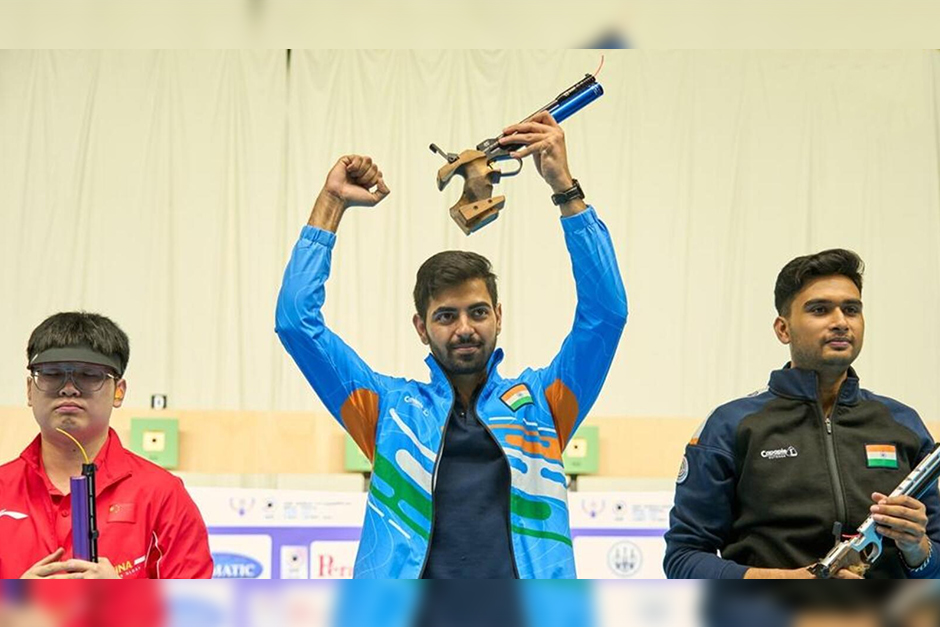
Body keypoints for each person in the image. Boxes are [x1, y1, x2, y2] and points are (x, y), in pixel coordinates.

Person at [276, 111, 627, 578]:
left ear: (498, 317)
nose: (464, 327)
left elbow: (606, 315)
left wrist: (565, 189)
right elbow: (296, 322)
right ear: (421, 328)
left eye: (478, 312)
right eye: (446, 316)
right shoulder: (387, 410)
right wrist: (331, 203)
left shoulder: (544, 404)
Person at [665, 249, 940, 579]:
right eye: (820, 310)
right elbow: (684, 560)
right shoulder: (730, 426)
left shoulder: (903, 424)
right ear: (783, 329)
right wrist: (791, 583)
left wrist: (917, 549)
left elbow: (934, 564)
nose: (840, 322)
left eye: (851, 310)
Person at [0, 312, 213, 579]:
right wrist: (12, 606)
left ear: (119, 391)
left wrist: (122, 601)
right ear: (30, 389)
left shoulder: (162, 495)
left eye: (89, 375)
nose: (68, 388)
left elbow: (197, 612)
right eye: (52, 374)